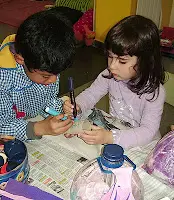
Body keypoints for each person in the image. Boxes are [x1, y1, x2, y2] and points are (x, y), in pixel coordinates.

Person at [63, 15, 166, 149]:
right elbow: (91, 94)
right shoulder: (109, 75)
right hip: (115, 129)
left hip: (143, 145)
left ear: (145, 61)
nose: (112, 66)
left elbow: (148, 131)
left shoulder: (154, 92)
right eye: (110, 57)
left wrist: (110, 137)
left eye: (122, 61)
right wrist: (78, 105)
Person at [0, 9, 75, 141]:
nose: (53, 80)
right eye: (46, 76)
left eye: (57, 74)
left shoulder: (46, 66)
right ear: (20, 59)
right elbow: (2, 128)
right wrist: (38, 128)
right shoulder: (3, 78)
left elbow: (47, 100)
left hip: (28, 119)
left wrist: (62, 109)